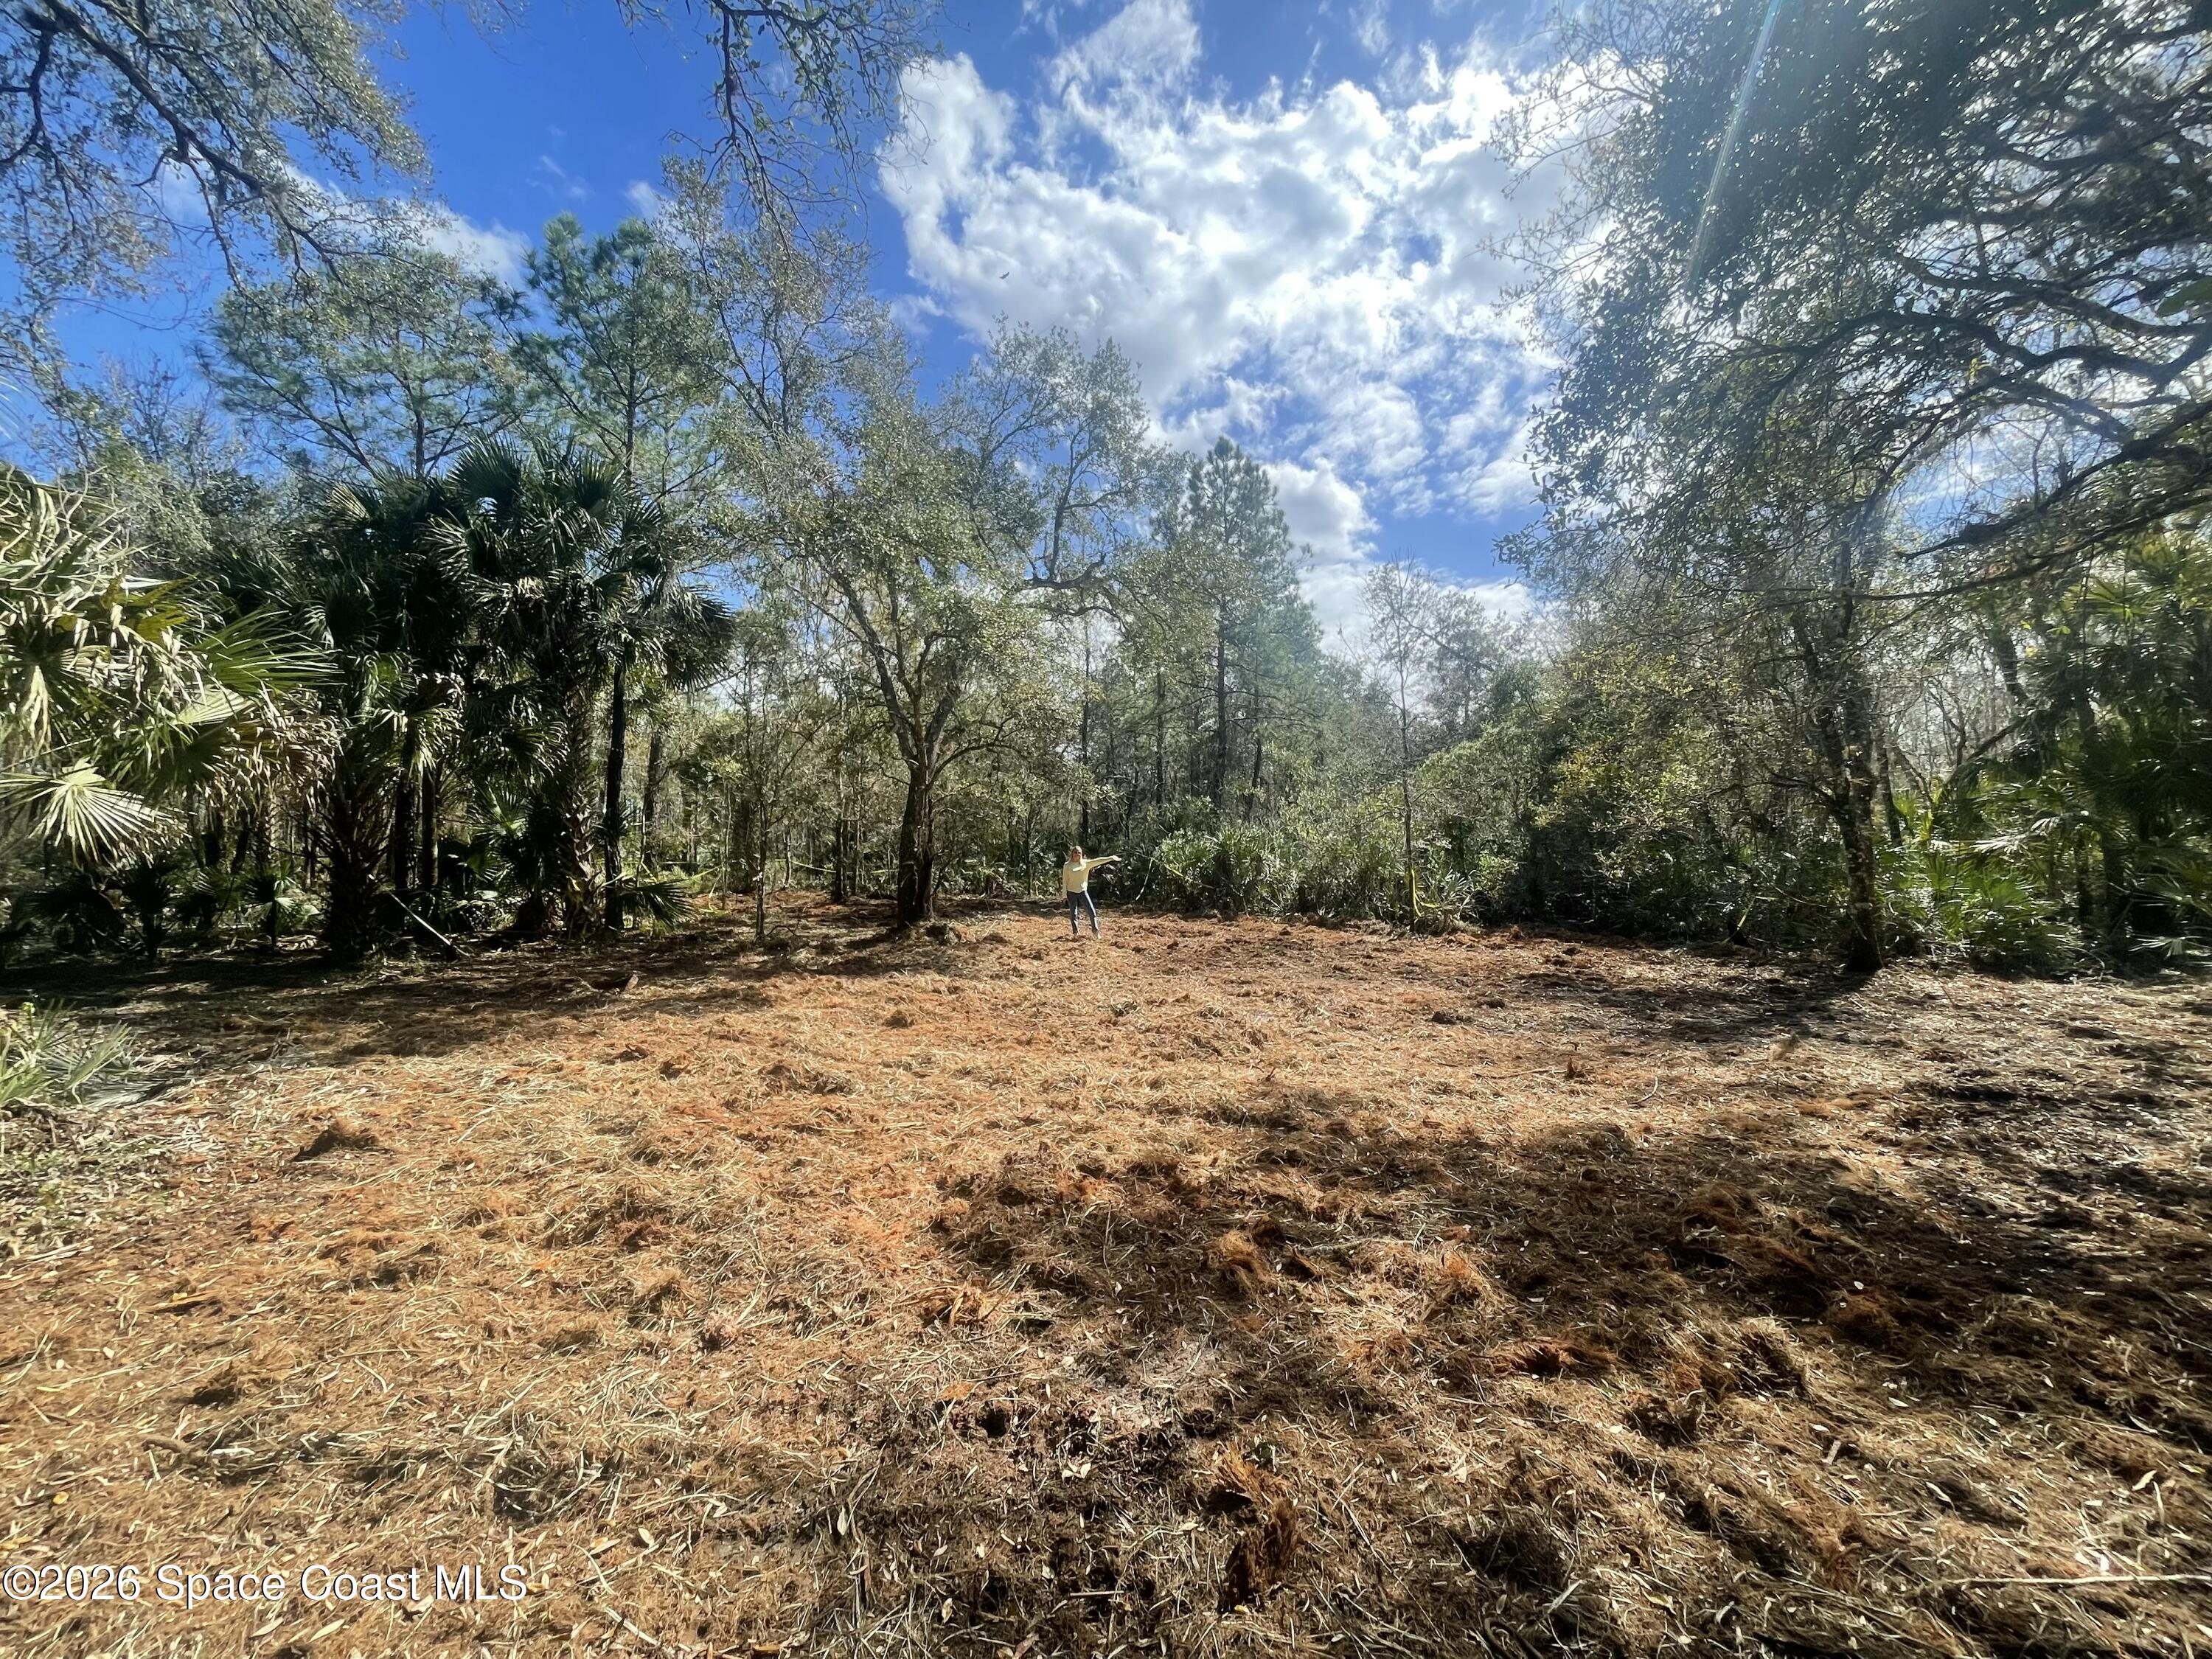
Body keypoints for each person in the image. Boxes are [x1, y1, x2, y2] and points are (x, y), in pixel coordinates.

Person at [1061, 845, 1120, 939]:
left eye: (1079, 852)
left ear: (1082, 854)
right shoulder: (1067, 866)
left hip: (1083, 892)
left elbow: (1098, 860)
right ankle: (1075, 933)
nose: (1077, 854)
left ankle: (1095, 931)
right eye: (1075, 852)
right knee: (1073, 913)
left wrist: (1111, 858)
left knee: (1091, 911)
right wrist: (1064, 896)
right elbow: (1065, 881)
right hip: (1071, 892)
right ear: (1072, 854)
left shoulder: (1086, 864)